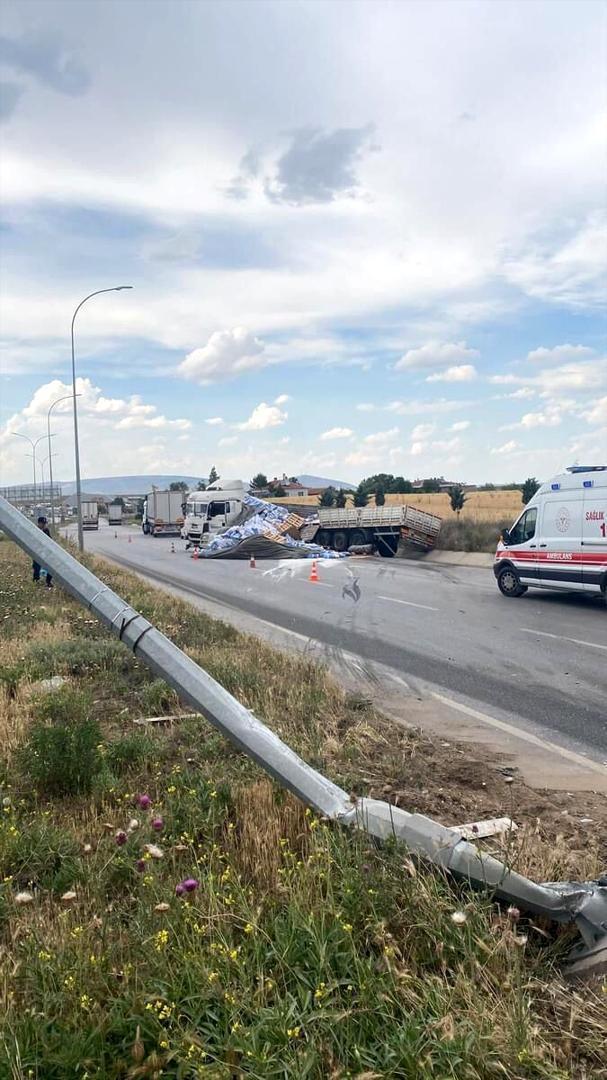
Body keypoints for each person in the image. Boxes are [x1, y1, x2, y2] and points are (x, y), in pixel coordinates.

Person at [32, 516, 53, 588]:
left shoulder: (46, 530)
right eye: (42, 523)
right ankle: (36, 581)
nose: (44, 525)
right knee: (36, 567)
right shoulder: (34, 530)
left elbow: (50, 540)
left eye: (45, 523)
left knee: (50, 567)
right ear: (39, 523)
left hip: (45, 552)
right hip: (37, 552)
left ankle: (48, 582)